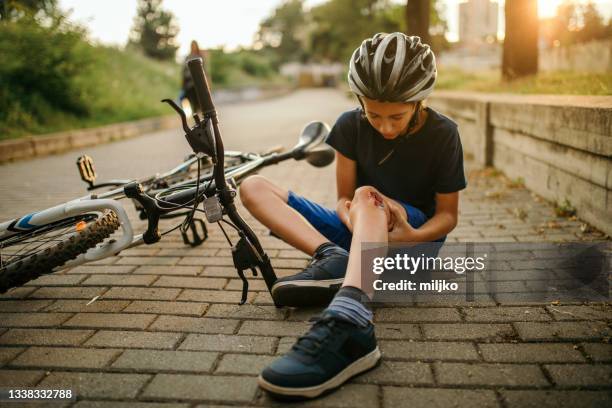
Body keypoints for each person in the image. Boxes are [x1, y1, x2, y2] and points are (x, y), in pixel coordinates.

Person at [239, 32, 467, 398]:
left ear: (419, 102)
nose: (386, 127)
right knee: (252, 187)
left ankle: (351, 316)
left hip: (412, 241)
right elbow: (343, 198)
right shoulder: (348, 125)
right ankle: (332, 257)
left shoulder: (444, 133)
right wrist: (350, 213)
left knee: (367, 195)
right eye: (374, 115)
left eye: (397, 116)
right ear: (359, 101)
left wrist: (409, 235)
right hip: (361, 230)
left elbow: (448, 216)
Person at [181, 40, 211, 114]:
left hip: (199, 82)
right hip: (189, 84)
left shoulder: (200, 56)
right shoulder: (187, 57)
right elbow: (184, 71)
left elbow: (204, 70)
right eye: (192, 45)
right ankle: (196, 115)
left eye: (194, 45)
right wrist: (182, 84)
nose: (193, 47)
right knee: (192, 100)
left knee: (200, 101)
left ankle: (201, 115)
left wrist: (208, 81)